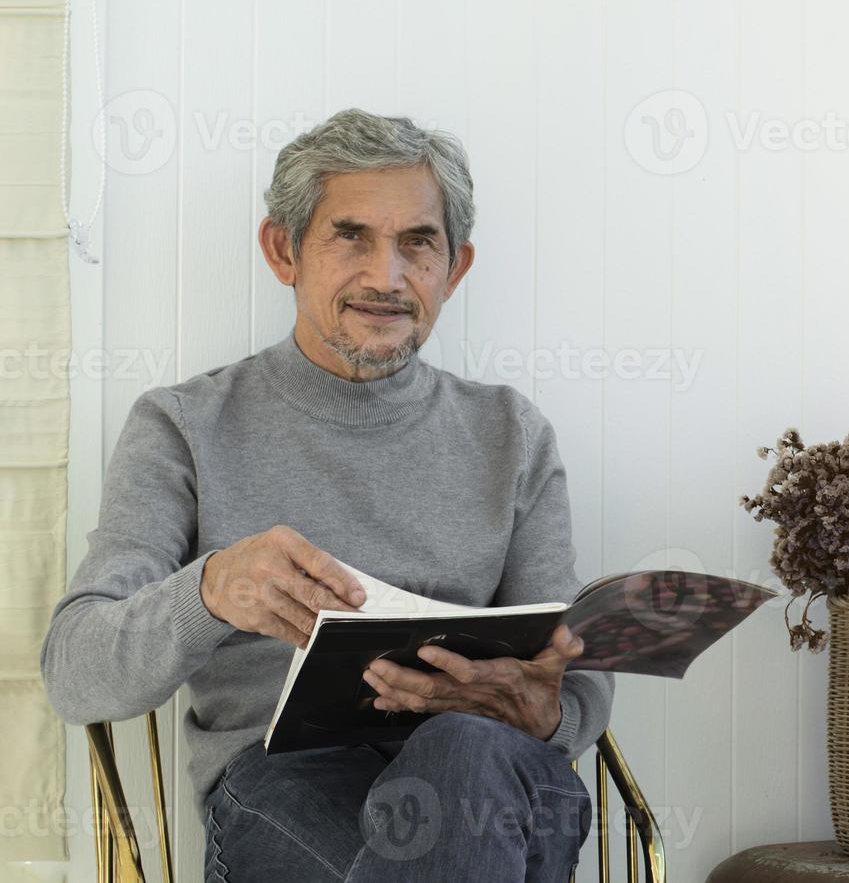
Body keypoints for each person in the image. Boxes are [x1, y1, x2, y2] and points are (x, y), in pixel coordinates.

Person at [39, 108, 613, 882]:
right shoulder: (185, 425)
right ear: (284, 251)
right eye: (352, 236)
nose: (387, 277)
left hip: (491, 774)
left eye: (418, 243)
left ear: (456, 267)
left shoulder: (509, 433)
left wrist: (550, 711)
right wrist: (208, 592)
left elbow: (567, 666)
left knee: (468, 750)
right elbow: (76, 674)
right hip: (288, 781)